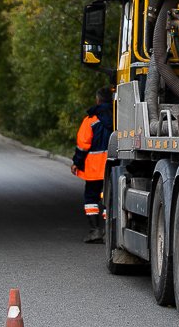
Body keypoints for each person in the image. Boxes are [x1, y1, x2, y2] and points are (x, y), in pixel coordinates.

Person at [71, 86, 113, 243]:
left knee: (91, 198)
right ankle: (110, 231)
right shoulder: (118, 117)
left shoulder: (90, 120)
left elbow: (83, 144)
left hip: (94, 168)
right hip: (112, 167)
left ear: (97, 100)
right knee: (109, 197)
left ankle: (95, 230)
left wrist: (76, 163)